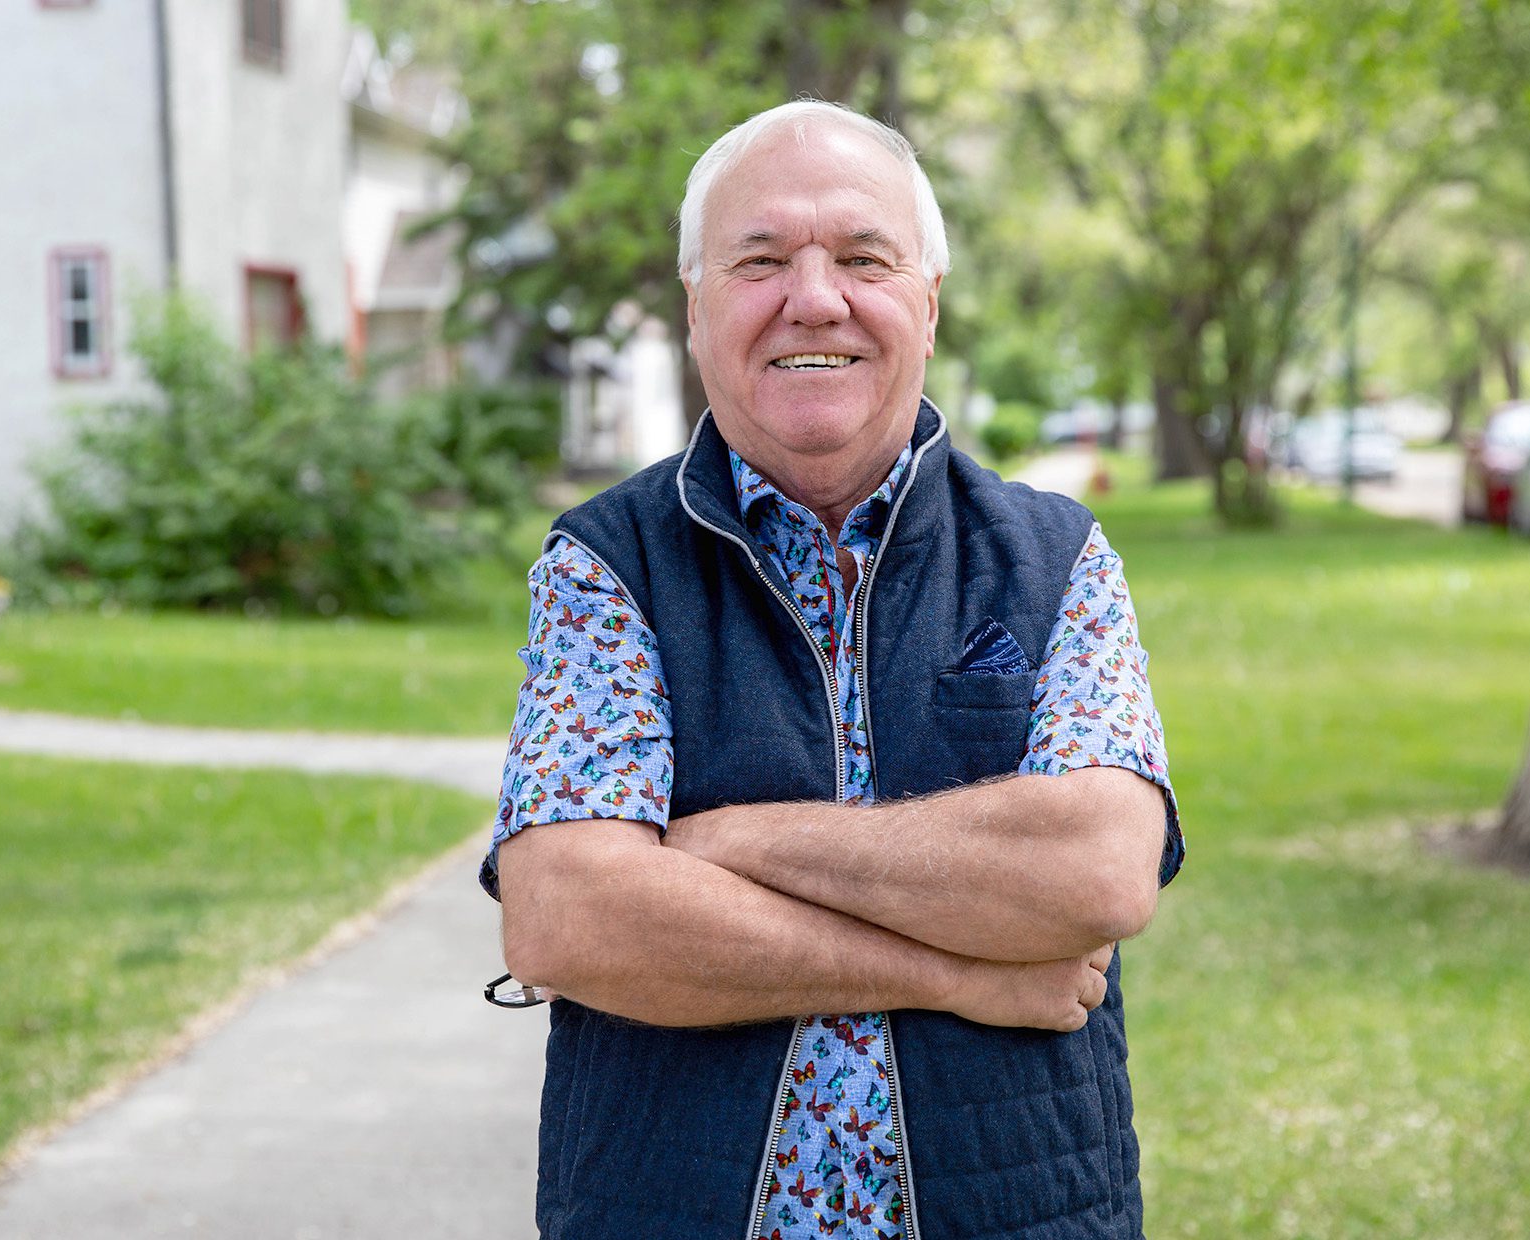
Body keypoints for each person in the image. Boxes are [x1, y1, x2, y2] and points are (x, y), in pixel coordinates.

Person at [479, 99, 1184, 1240]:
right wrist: (964, 971)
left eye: (864, 256)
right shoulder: (606, 562)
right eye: (761, 260)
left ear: (929, 301)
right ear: (698, 306)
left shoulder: (1058, 557)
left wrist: (730, 842)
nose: (815, 296)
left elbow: (1099, 870)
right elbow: (566, 916)